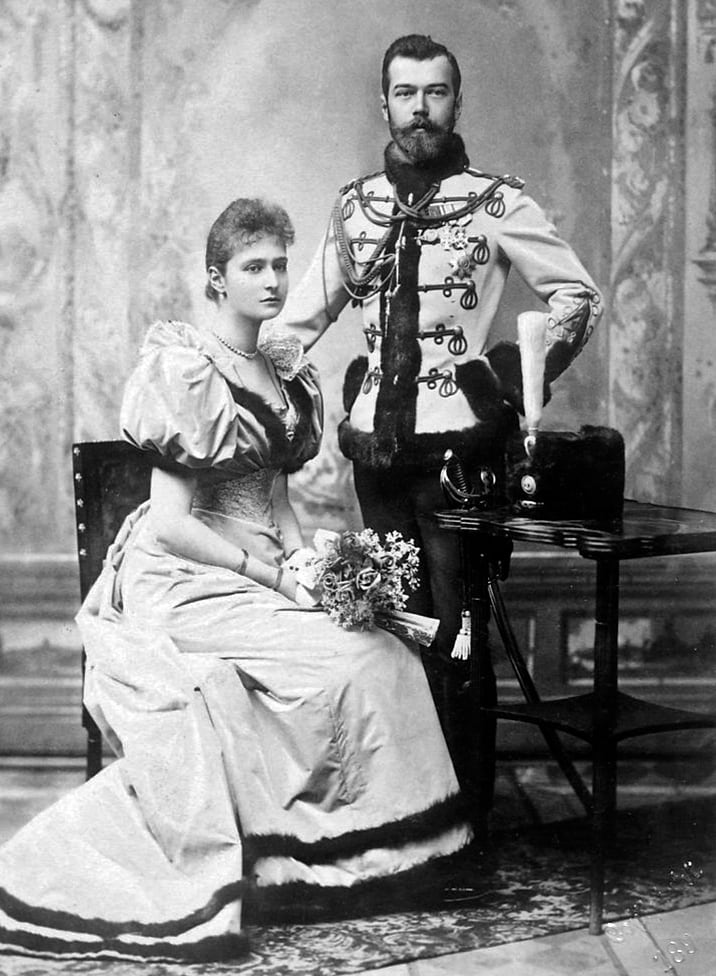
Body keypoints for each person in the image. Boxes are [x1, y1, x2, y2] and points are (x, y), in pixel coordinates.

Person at [0, 198, 473, 964]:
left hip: (262, 571)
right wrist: (270, 574)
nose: (273, 279)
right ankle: (296, 865)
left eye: (280, 264)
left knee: (381, 651)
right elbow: (169, 524)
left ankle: (381, 858)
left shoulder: (284, 369)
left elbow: (278, 501)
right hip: (184, 578)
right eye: (254, 267)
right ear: (217, 279)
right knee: (341, 665)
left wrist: (310, 568)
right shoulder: (185, 369)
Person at [281, 34, 603, 804]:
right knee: (391, 627)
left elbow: (577, 297)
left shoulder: (496, 202)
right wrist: (240, 380)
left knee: (457, 632)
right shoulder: (356, 207)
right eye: (406, 93)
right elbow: (296, 323)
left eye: (435, 92)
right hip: (375, 454)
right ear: (384, 104)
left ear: (457, 102)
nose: (420, 109)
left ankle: (467, 819)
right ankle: (407, 810)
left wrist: (504, 379)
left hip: (460, 451)